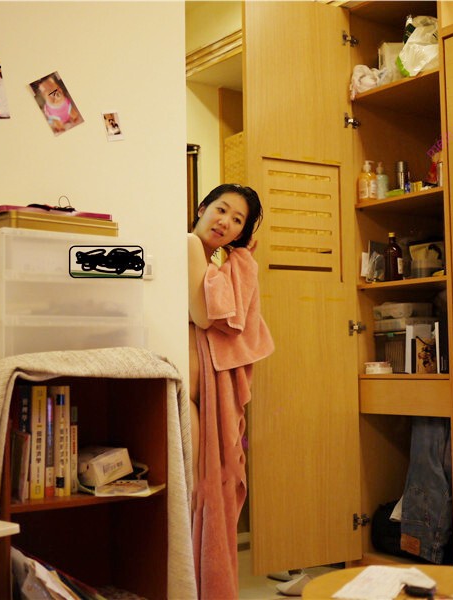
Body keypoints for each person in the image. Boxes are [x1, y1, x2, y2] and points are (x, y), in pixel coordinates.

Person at [188, 184, 274, 599]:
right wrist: (233, 260)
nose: (225, 222)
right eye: (221, 210)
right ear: (202, 208)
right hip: (191, 391)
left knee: (209, 488)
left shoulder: (220, 263)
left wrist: (236, 257)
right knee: (201, 490)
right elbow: (204, 317)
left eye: (237, 220)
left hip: (202, 392)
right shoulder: (190, 246)